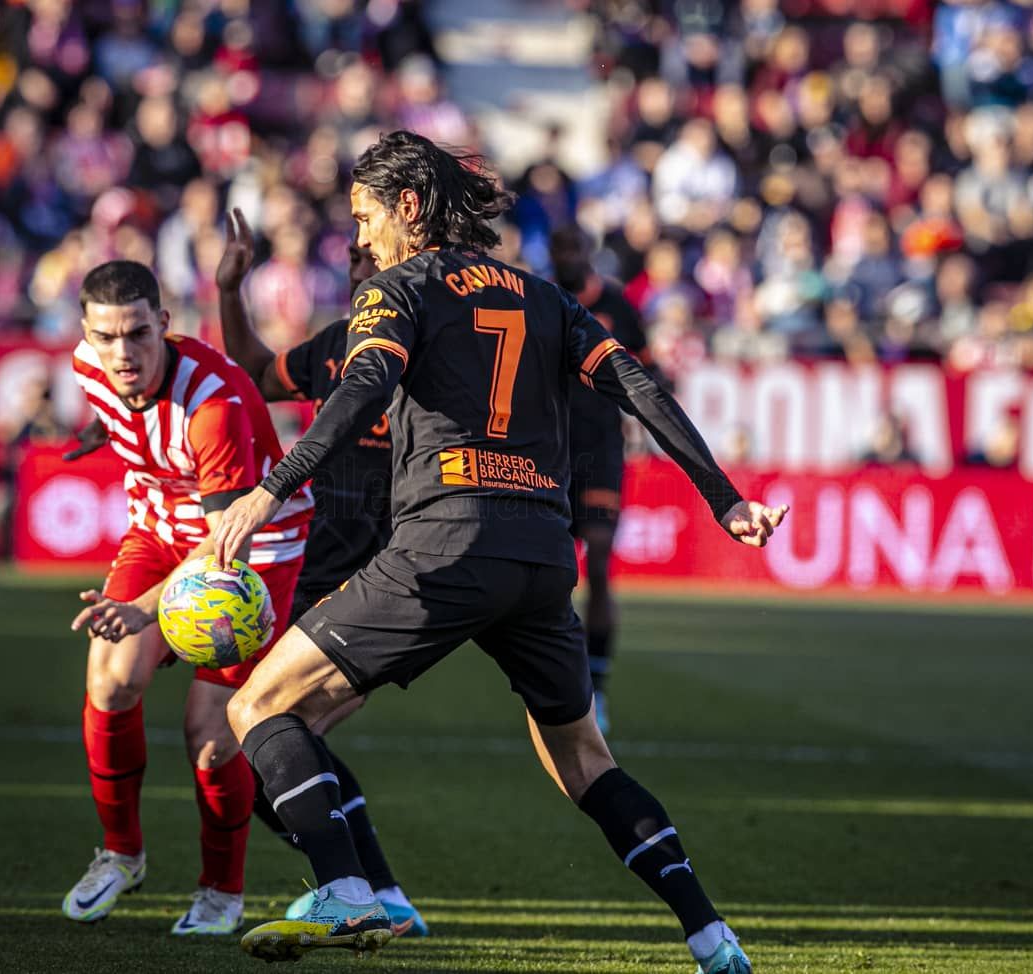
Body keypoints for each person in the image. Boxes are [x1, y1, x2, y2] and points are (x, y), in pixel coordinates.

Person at [213, 131, 787, 973]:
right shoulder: (543, 296)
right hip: (542, 559)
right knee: (586, 762)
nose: (361, 237)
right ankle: (710, 934)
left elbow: (364, 383)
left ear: (408, 208)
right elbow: (636, 383)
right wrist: (724, 498)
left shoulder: (397, 289)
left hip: (443, 548)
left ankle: (345, 888)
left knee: (257, 709)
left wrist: (272, 487)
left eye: (367, 216)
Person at [60, 260, 313, 936]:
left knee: (211, 739)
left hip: (249, 554)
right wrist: (97, 435)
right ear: (86, 334)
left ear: (164, 326)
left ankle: (221, 893)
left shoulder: (213, 403)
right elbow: (119, 414)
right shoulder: (90, 366)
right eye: (105, 337)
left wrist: (145, 610)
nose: (122, 353)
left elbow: (227, 536)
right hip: (161, 532)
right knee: (111, 682)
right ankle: (121, 854)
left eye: (138, 335)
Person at [215, 210, 428, 938]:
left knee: (256, 737)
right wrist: (231, 290)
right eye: (361, 274)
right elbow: (253, 369)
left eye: (380, 272)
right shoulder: (337, 348)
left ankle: (356, 889)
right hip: (317, 576)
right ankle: (380, 893)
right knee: (281, 738)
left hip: (381, 585)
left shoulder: (432, 355)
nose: (369, 283)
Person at [549, 225, 651, 734]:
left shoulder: (616, 304)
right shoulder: (540, 298)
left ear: (586, 251)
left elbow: (648, 370)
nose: (566, 255)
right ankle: (560, 683)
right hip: (549, 448)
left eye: (572, 246)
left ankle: (598, 684)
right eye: (559, 248)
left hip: (601, 447)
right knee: (551, 570)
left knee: (602, 561)